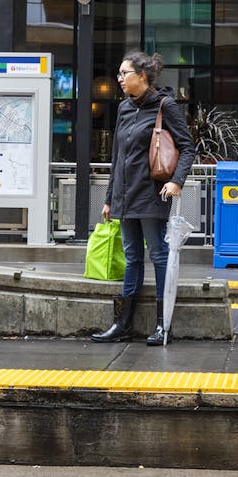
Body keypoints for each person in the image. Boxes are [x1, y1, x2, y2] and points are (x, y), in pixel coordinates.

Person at [92, 51, 196, 346]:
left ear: (142, 76)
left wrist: (176, 181)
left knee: (158, 256)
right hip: (125, 196)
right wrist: (110, 199)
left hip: (151, 194)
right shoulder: (125, 108)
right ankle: (123, 325)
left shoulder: (165, 106)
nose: (120, 79)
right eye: (120, 74)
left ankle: (164, 325)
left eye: (125, 73)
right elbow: (118, 158)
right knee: (132, 258)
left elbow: (188, 148)